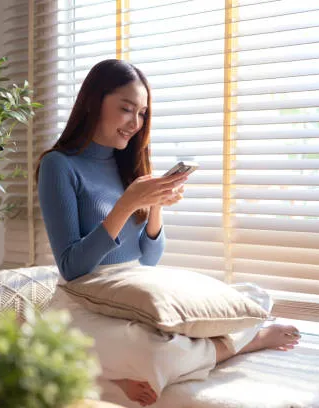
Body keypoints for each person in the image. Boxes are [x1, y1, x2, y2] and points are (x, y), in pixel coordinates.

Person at [37, 59, 300, 407]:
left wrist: (155, 204)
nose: (135, 123)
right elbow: (72, 266)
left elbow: (147, 260)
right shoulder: (59, 166)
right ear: (94, 101)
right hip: (86, 300)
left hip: (134, 291)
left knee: (254, 296)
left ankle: (135, 367)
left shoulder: (126, 166)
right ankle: (243, 342)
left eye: (143, 113)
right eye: (126, 109)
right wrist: (126, 206)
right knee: (152, 353)